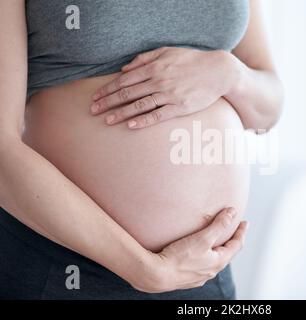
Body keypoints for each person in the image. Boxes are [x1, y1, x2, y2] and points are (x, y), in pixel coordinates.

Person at [0, 0, 283, 299]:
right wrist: (145, 269)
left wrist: (231, 74)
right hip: (69, 269)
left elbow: (268, 108)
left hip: (203, 273)